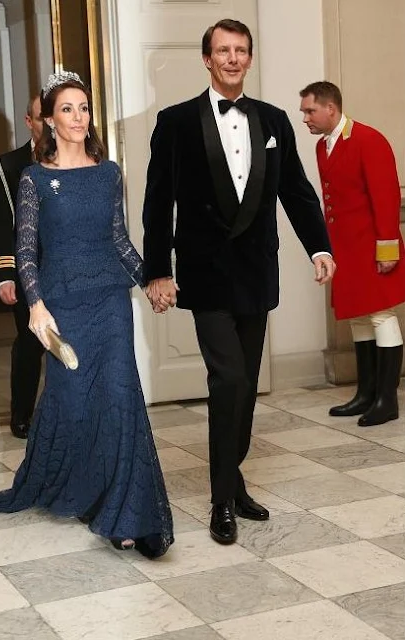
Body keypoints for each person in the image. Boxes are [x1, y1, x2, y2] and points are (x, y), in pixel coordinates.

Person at [142, 19, 335, 546]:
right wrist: (157, 269)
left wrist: (319, 246)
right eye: (222, 51)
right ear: (206, 59)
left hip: (255, 274)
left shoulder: (273, 120)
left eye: (240, 51)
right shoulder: (176, 122)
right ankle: (222, 500)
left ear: (249, 59)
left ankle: (234, 476)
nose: (232, 59)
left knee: (245, 386)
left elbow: (295, 190)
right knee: (227, 380)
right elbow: (159, 200)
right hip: (204, 277)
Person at [0, 71, 174, 559]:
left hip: (110, 301)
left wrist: (149, 279)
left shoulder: (107, 173)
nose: (77, 117)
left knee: (118, 397)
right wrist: (37, 305)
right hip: (62, 303)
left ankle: (128, 513)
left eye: (83, 107)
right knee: (73, 401)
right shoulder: (34, 179)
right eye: (66, 109)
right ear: (48, 118)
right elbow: (26, 252)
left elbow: (118, 240)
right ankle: (79, 487)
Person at [300, 81, 404, 427]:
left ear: (331, 108)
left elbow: (386, 197)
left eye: (309, 110)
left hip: (374, 246)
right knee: (359, 318)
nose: (305, 118)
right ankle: (366, 394)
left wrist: (387, 248)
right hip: (346, 248)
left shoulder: (369, 140)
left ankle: (387, 401)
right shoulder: (321, 146)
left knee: (381, 316)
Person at [0, 96, 45, 439]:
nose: (48, 123)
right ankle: (22, 414)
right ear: (28, 121)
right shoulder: (7, 164)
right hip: (27, 270)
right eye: (41, 117)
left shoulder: (76, 158)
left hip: (67, 267)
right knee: (30, 341)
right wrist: (3, 275)